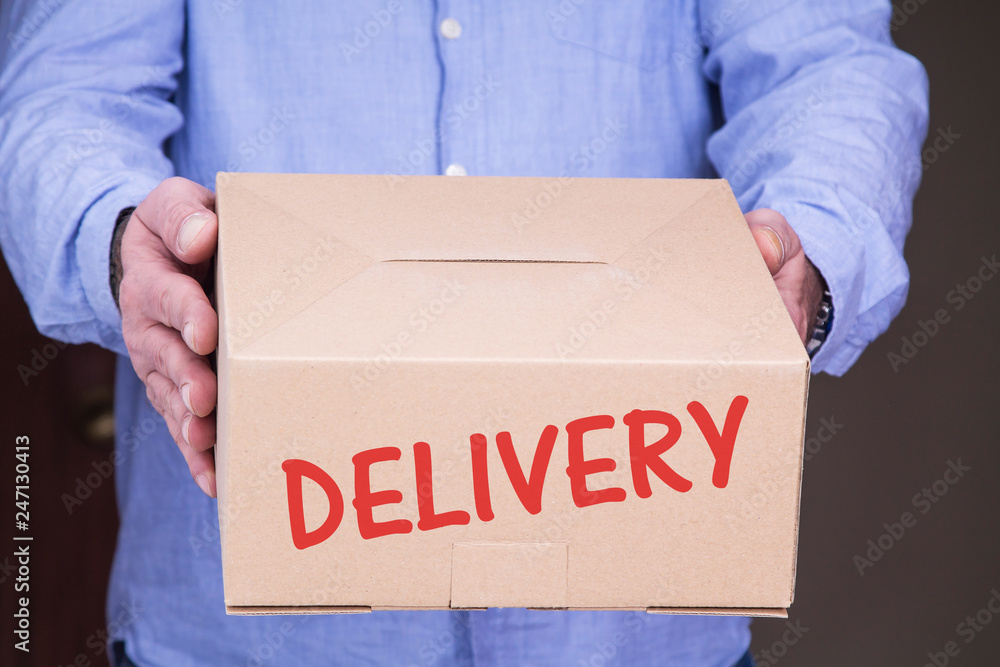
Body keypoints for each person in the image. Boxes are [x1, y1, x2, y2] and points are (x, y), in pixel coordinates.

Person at [0, 1, 928, 665]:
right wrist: (119, 241)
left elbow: (826, 63)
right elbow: (61, 97)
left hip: (633, 640)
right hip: (236, 640)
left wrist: (813, 235)